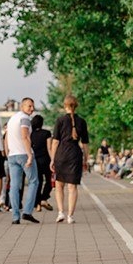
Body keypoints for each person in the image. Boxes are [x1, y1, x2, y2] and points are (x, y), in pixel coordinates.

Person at [49, 94, 90, 224]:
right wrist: (86, 159)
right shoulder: (82, 122)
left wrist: (52, 159)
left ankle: (61, 212)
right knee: (72, 187)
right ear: (76, 106)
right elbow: (85, 144)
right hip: (75, 155)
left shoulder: (60, 120)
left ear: (64, 106)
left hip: (61, 154)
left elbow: (55, 142)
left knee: (59, 185)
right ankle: (70, 216)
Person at [5, 97, 40, 224]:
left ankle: (15, 217)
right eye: (29, 106)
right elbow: (25, 136)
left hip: (12, 155)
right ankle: (27, 212)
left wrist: (8, 153)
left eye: (32, 106)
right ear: (22, 106)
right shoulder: (24, 118)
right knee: (34, 181)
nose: (32, 108)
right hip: (23, 154)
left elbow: (6, 138)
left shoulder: (11, 119)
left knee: (14, 185)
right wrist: (29, 155)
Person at [30, 115, 53, 212]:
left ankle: (37, 204)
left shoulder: (30, 134)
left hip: (35, 161)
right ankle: (44, 198)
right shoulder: (47, 133)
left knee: (38, 182)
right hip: (46, 160)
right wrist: (53, 159)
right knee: (49, 181)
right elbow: (49, 148)